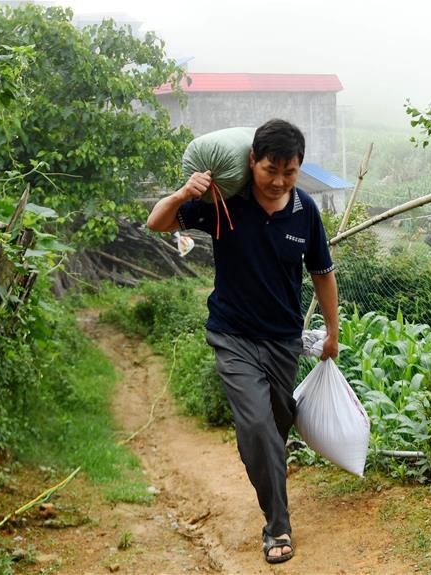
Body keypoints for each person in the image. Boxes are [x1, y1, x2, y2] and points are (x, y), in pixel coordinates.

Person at [147, 119, 339, 564]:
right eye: (270, 169)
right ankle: (278, 526)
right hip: (232, 336)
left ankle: (267, 455)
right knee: (256, 427)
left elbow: (322, 274)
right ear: (252, 161)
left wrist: (332, 331)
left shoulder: (305, 211)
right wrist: (183, 193)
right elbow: (157, 223)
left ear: (298, 170)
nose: (278, 182)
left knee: (273, 426)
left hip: (283, 340)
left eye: (289, 172)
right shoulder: (222, 203)